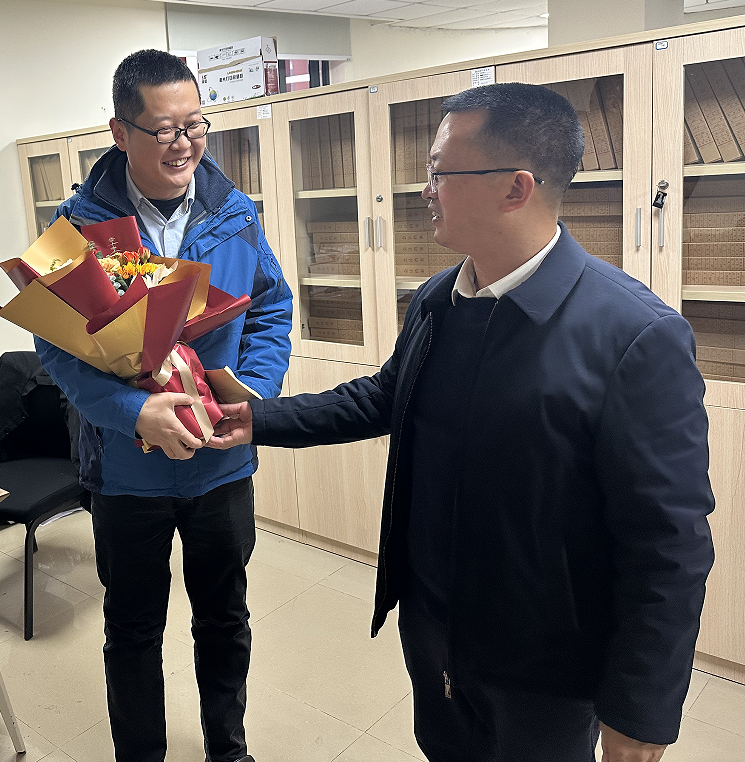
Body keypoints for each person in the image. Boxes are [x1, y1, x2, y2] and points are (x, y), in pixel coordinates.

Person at [207, 83, 715, 762]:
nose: (424, 190)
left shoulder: (634, 335)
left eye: (440, 171)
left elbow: (668, 542)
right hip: (433, 629)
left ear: (515, 188)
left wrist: (641, 713)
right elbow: (384, 396)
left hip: (545, 665)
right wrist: (256, 418)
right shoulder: (438, 298)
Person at [35, 50, 292, 762]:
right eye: (165, 129)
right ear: (120, 132)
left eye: (196, 125)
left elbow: (271, 310)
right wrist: (130, 412)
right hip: (126, 472)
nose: (184, 144)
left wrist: (253, 393)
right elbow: (56, 345)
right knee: (133, 628)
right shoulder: (76, 227)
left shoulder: (234, 213)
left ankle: (228, 751)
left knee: (225, 619)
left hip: (220, 463)